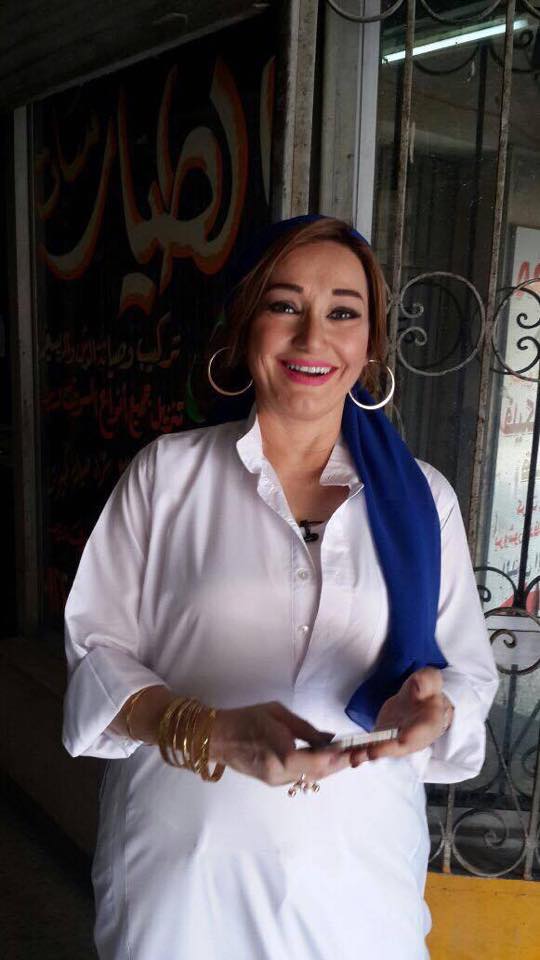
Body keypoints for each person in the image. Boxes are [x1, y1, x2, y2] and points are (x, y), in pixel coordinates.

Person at [62, 215, 498, 960]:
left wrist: (427, 706)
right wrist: (210, 730)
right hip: (183, 873)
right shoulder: (167, 476)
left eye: (343, 313)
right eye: (284, 304)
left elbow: (467, 676)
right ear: (245, 325)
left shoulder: (424, 501)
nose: (312, 337)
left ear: (372, 343)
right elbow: (95, 655)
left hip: (359, 882)